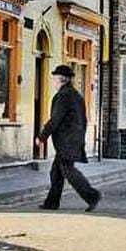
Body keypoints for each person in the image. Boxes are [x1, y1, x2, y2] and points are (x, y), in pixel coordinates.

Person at [35, 64, 101, 212]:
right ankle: (51, 203)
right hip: (73, 139)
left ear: (60, 79)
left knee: (68, 171)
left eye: (55, 78)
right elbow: (83, 119)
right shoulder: (75, 94)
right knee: (56, 172)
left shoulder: (64, 95)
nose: (53, 81)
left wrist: (42, 137)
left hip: (67, 141)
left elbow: (55, 119)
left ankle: (92, 196)